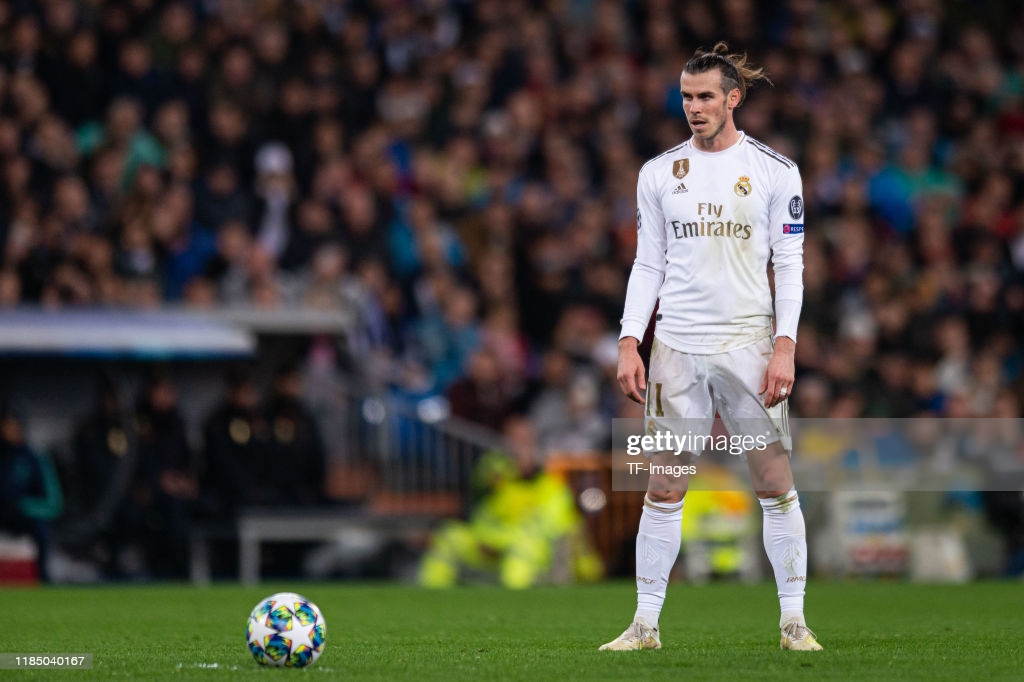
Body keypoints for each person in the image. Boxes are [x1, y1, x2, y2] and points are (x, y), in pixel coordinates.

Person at [601, 43, 822, 652]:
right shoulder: (657, 173)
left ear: (733, 98)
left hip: (748, 343)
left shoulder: (776, 171)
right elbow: (648, 264)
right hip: (675, 346)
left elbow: (791, 264)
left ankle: (794, 622)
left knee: (773, 481)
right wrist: (628, 340)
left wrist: (785, 345)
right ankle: (644, 626)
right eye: (686, 96)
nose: (693, 108)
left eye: (704, 97)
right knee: (664, 487)